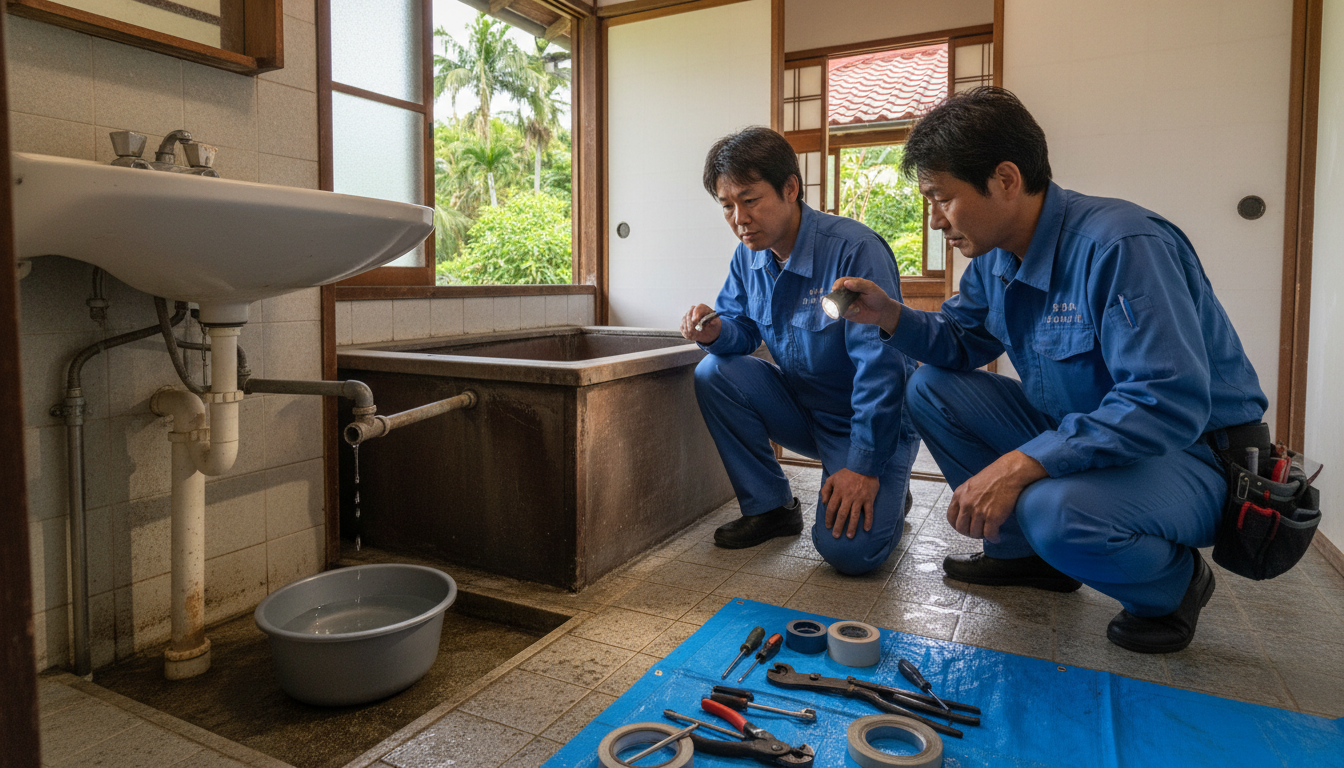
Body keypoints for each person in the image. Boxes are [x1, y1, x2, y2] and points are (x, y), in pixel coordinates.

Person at [836, 86, 1267, 652]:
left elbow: (1167, 401)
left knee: (1054, 511)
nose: (935, 220)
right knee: (931, 387)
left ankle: (1173, 586)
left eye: (942, 198)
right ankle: (1026, 556)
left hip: (1191, 453)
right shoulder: (993, 259)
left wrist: (1023, 463)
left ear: (1006, 179)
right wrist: (890, 314)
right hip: (1080, 432)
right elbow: (960, 341)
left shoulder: (1121, 245)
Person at [682, 126, 920, 576]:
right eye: (727, 205)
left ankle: (889, 477)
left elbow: (881, 367)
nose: (739, 218)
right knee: (714, 371)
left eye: (750, 200)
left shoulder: (854, 250)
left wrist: (864, 467)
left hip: (867, 421)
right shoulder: (748, 256)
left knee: (849, 553)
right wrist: (714, 332)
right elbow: (743, 330)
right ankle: (770, 507)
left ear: (790, 188)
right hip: (805, 409)